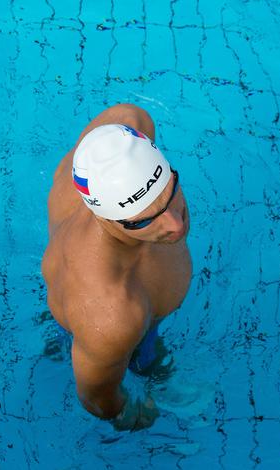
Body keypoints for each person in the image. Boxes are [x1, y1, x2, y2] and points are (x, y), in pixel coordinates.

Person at [41, 104, 192, 431]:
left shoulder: (128, 125)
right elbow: (97, 398)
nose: (176, 224)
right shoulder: (112, 316)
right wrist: (131, 415)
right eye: (145, 219)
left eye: (169, 191)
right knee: (143, 361)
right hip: (99, 324)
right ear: (108, 217)